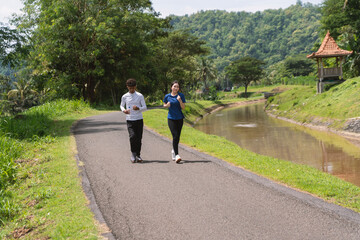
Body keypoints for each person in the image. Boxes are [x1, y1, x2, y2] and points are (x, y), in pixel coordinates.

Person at [120, 78, 147, 163]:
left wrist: (138, 108)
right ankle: (133, 153)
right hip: (130, 119)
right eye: (130, 88)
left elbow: (145, 107)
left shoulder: (140, 95)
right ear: (127, 87)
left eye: (133, 88)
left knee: (139, 138)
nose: (131, 90)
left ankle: (138, 155)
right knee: (132, 136)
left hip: (139, 119)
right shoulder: (125, 96)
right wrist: (124, 110)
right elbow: (121, 105)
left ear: (135, 87)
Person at [163, 81, 186, 163]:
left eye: (177, 87)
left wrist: (180, 101)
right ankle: (177, 155)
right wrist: (167, 105)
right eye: (175, 86)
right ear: (171, 87)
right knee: (175, 136)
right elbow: (164, 105)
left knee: (177, 137)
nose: (176, 88)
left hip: (179, 118)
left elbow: (183, 108)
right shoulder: (167, 96)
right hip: (171, 118)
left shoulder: (181, 96)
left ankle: (173, 150)